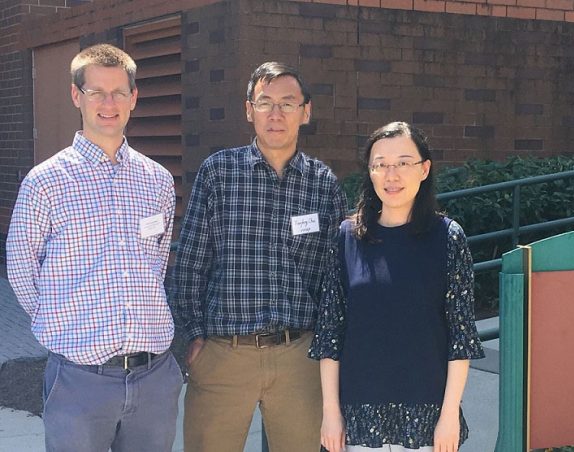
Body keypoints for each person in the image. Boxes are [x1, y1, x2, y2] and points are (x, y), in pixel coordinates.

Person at [6, 43, 180, 452]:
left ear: (133, 98)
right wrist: (61, 320)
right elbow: (20, 267)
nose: (108, 102)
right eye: (96, 92)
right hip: (79, 382)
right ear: (75, 96)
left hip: (154, 379)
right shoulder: (45, 182)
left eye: (119, 92)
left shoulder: (156, 180)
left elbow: (155, 260)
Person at [171, 61, 348, 452]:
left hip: (299, 357)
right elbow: (189, 264)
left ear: (306, 111)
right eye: (265, 102)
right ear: (249, 110)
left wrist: (327, 346)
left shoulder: (323, 184)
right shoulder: (218, 173)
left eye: (288, 103)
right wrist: (194, 337)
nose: (276, 113)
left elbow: (334, 279)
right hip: (223, 354)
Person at [309, 121, 485, 452]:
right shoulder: (347, 238)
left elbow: (460, 338)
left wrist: (450, 414)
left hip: (427, 418)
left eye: (404, 163)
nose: (392, 175)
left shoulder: (448, 238)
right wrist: (330, 412)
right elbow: (331, 333)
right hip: (358, 419)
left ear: (424, 169)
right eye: (381, 165)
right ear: (370, 172)